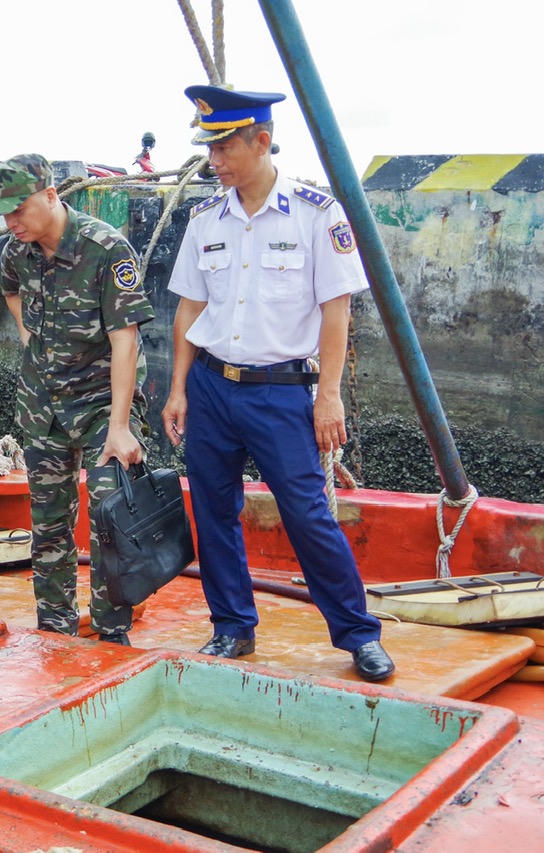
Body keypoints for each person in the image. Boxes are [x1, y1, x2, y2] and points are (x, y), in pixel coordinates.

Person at [161, 85, 395, 681]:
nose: (214, 162)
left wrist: (329, 394)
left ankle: (357, 633)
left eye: (224, 147)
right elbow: (189, 310)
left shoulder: (318, 214)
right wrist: (178, 389)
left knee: (307, 513)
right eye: (208, 148)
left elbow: (336, 311)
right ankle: (232, 627)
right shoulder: (204, 219)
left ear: (261, 141)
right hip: (212, 387)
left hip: (281, 390)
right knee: (212, 510)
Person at [0, 153, 155, 646]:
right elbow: (9, 288)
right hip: (43, 402)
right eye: (4, 213)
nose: (11, 222)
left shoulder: (106, 249)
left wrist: (121, 426)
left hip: (104, 401)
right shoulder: (16, 252)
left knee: (109, 514)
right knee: (49, 522)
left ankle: (111, 628)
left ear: (51, 195)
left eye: (19, 209)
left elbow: (126, 340)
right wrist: (30, 338)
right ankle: (55, 628)